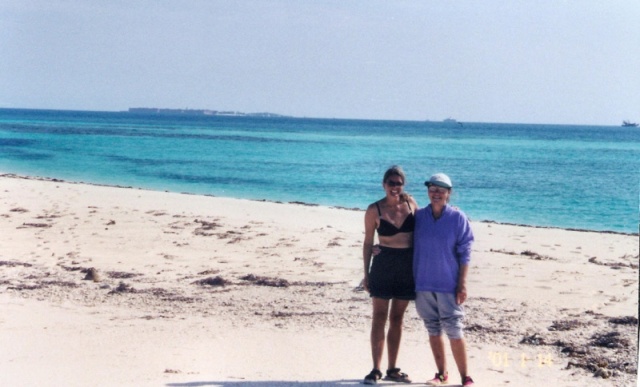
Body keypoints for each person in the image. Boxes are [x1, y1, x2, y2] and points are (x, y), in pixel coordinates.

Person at [413, 173, 475, 386]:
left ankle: (466, 377)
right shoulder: (419, 216)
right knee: (432, 329)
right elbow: (400, 237)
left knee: (455, 330)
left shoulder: (458, 218)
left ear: (449, 193)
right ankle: (441, 375)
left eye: (441, 189)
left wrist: (462, 284)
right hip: (422, 284)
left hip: (449, 285)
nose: (436, 193)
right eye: (432, 188)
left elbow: (465, 252)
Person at [362, 166, 418, 385]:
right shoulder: (373, 210)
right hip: (383, 265)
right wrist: (366, 274)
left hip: (407, 265)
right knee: (379, 316)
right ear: (383, 184)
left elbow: (425, 232)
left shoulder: (411, 204)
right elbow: (367, 243)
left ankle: (392, 369)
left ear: (403, 185)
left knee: (397, 318)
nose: (395, 187)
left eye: (398, 183)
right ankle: (375, 369)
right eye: (391, 183)